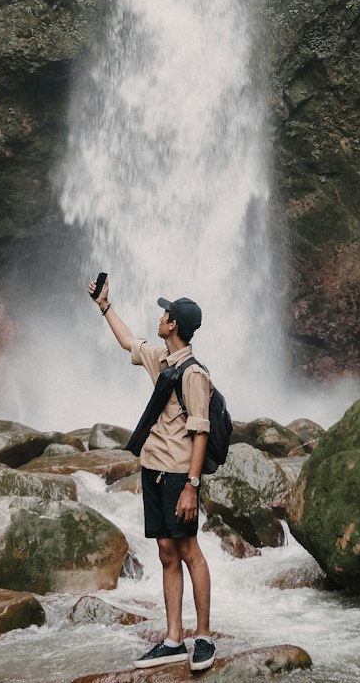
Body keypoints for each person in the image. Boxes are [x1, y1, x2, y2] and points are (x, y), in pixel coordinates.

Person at [89, 276, 216, 673]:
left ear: (174, 324)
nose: (159, 318)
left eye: (165, 314)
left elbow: (200, 432)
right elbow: (129, 341)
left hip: (180, 476)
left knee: (189, 551)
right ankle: (174, 638)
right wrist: (104, 306)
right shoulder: (161, 360)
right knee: (166, 552)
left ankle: (205, 637)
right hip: (154, 471)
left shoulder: (194, 374)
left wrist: (192, 487)